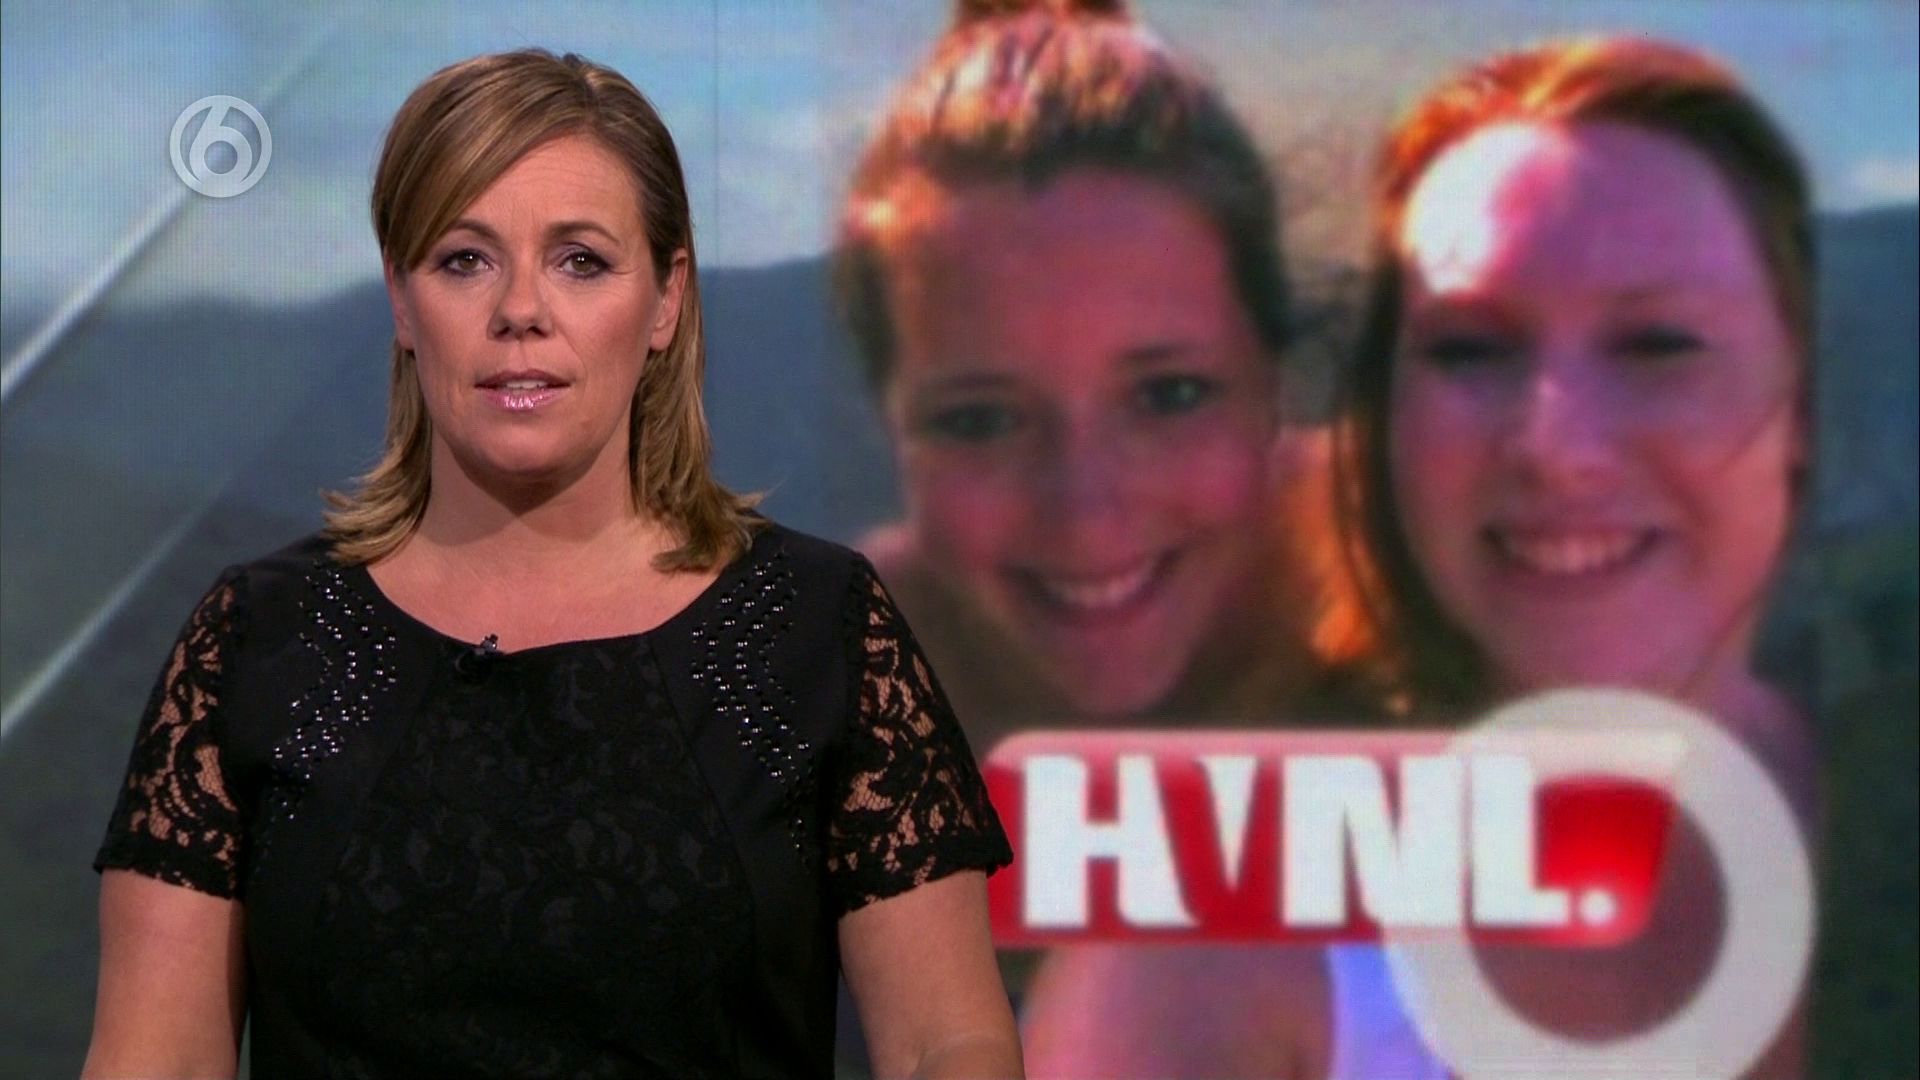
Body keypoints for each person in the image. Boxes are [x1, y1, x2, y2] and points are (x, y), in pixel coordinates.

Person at [83, 48, 1021, 1080]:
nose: (520, 309)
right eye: (463, 260)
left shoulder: (815, 624)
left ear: (665, 300)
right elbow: (157, 1058)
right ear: (401, 301)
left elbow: (947, 1044)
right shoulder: (262, 640)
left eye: (580, 260)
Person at [1023, 36, 1819, 1078]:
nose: (1556, 446)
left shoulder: (1825, 773)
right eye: (1470, 349)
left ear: (1798, 405)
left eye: (1657, 343)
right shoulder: (1195, 963)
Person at [835, 0, 1354, 749]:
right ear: (889, 423)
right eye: (982, 421)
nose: (1086, 514)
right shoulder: (843, 689)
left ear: (1274, 384)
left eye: (1168, 396)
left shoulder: (1429, 580)